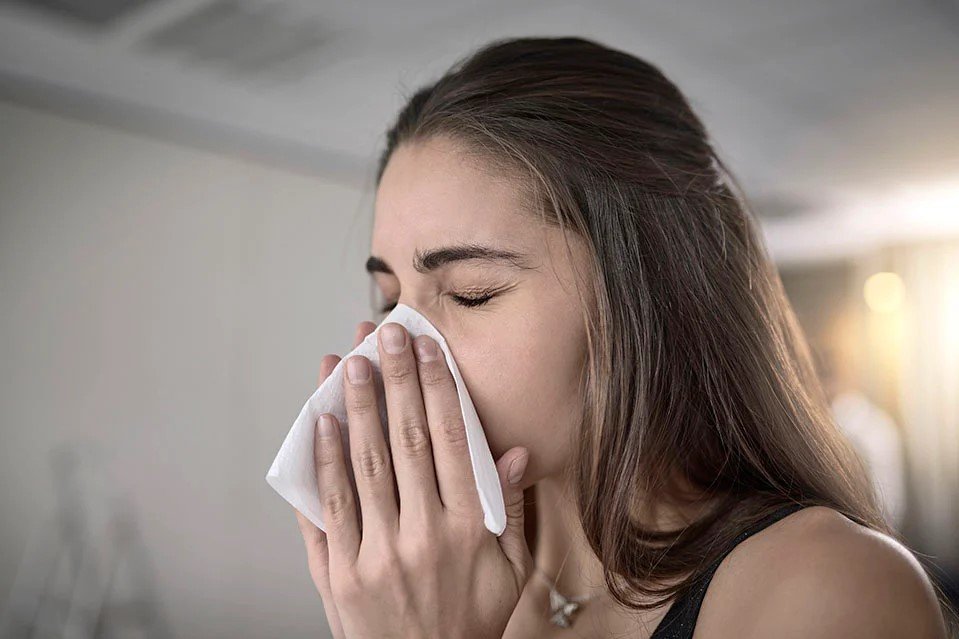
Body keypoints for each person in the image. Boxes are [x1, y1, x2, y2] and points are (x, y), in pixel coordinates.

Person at [291, 36, 954, 638]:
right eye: (389, 301)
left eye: (471, 292)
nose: (397, 351)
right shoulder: (443, 575)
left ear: (639, 292)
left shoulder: (823, 589)